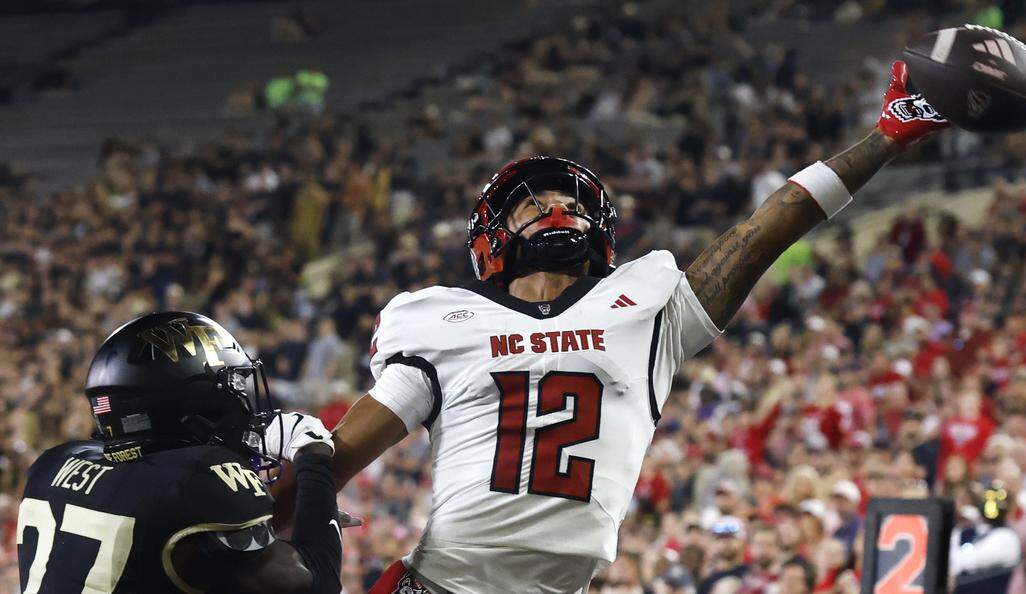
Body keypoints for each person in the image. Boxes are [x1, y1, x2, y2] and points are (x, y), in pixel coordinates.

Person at [275, 59, 950, 594]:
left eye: (570, 198)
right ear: (491, 236)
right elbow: (337, 458)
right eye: (532, 200)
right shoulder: (440, 321)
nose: (556, 205)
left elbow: (766, 229)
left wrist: (885, 136)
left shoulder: (647, 306)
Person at [17, 312, 343, 594]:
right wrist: (314, 454)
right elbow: (318, 583)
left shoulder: (51, 463)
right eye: (232, 394)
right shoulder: (197, 478)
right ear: (195, 406)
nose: (242, 410)